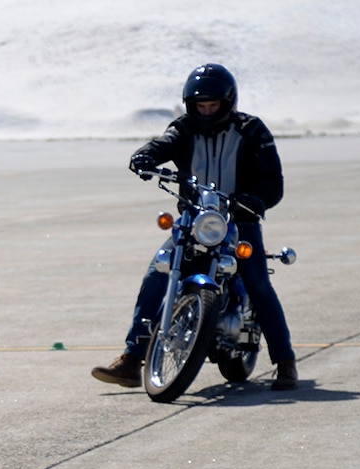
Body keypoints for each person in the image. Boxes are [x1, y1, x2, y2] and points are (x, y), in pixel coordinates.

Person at [92, 62, 297, 392]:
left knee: (257, 281)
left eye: (213, 105)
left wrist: (255, 201)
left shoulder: (252, 130)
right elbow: (163, 143)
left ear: (228, 102)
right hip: (193, 220)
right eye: (200, 106)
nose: (206, 111)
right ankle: (132, 360)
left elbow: (273, 183)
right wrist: (144, 156)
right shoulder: (184, 128)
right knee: (157, 274)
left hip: (238, 220)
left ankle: (285, 362)